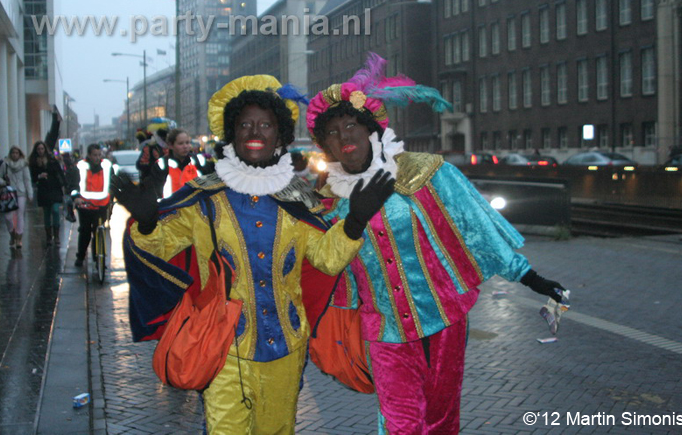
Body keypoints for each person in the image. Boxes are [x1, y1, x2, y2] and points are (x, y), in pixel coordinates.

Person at [111, 75, 394, 434]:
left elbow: (325, 259)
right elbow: (160, 247)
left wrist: (353, 222)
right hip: (223, 349)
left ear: (280, 135)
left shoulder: (298, 199)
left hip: (288, 348)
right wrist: (148, 223)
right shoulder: (205, 198)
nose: (254, 130)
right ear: (232, 134)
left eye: (265, 124)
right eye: (244, 124)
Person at [306, 53, 567, 435]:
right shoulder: (327, 200)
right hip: (384, 331)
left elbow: (477, 229)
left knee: (442, 421)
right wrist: (351, 220)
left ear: (371, 128)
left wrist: (531, 278)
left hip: (444, 320)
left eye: (351, 126)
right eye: (332, 132)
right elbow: (321, 263)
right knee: (401, 425)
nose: (344, 137)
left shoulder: (424, 172)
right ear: (324, 143)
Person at [69, 144, 114, 267]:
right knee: (85, 231)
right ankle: (81, 256)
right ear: (89, 155)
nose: (97, 157)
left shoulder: (106, 166)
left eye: (99, 155)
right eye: (95, 155)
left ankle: (98, 258)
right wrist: (76, 197)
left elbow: (113, 181)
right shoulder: (81, 167)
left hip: (102, 205)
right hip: (85, 205)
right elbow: (73, 184)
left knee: (98, 230)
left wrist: (114, 193)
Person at [29, 113, 65, 246]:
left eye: (42, 148)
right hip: (43, 190)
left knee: (55, 210)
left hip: (54, 189)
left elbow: (52, 136)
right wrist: (39, 177)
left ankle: (56, 236)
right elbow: (31, 177)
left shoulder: (51, 159)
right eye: (38, 149)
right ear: (36, 150)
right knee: (46, 213)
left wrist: (57, 122)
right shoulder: (33, 162)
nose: (40, 150)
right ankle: (49, 236)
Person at [153, 128, 210, 199]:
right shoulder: (162, 165)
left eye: (187, 142)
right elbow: (156, 193)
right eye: (180, 143)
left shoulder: (199, 161)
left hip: (196, 207)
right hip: (171, 208)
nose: (185, 146)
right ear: (171, 145)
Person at [0, 146, 34, 248]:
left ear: (20, 154)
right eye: (13, 153)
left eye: (17, 153)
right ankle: (12, 234)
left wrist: (30, 194)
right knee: (8, 217)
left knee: (19, 216)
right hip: (9, 193)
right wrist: (4, 182)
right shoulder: (6, 164)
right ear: (10, 154)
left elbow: (27, 180)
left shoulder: (24, 165)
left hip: (21, 193)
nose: (15, 155)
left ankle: (19, 239)